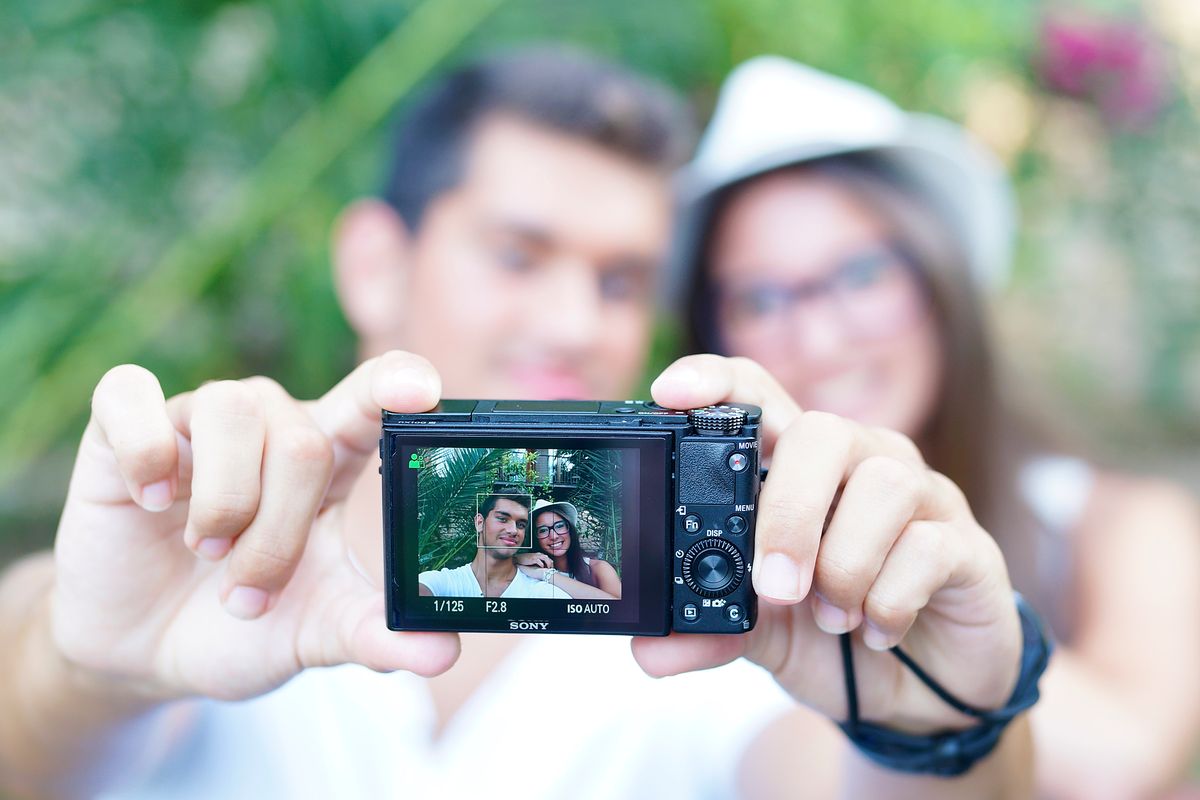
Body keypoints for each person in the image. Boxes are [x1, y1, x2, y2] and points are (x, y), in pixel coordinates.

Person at [0, 48, 1038, 799]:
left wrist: (940, 726)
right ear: (374, 262)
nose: (577, 321)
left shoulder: (724, 619)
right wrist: (87, 670)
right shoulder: (194, 544)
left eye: (622, 277)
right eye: (518, 253)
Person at [671, 55, 1200, 799]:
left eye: (860, 276)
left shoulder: (1119, 521)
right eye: (761, 300)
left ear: (938, 278)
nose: (821, 342)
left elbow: (1128, 755)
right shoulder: (727, 583)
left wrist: (956, 626)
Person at [418, 494, 570, 598]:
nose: (513, 530)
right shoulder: (443, 582)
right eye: (503, 519)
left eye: (521, 524)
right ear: (479, 523)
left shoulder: (541, 591)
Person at [515, 498, 622, 599]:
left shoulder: (599, 569)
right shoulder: (527, 571)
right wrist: (515, 559)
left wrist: (546, 575)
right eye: (543, 530)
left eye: (559, 526)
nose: (554, 536)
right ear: (535, 538)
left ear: (570, 529)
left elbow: (619, 609)